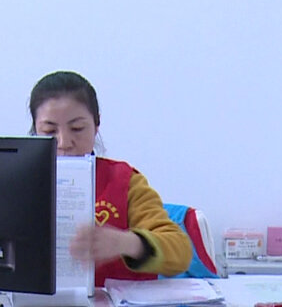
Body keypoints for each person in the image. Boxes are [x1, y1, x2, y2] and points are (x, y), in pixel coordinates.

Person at [29, 71, 191, 285]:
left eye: (77, 128)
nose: (64, 142)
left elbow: (181, 252)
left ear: (96, 126)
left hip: (119, 304)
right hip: (37, 303)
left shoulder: (124, 181)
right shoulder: (22, 183)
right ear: (35, 131)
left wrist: (127, 243)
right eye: (50, 131)